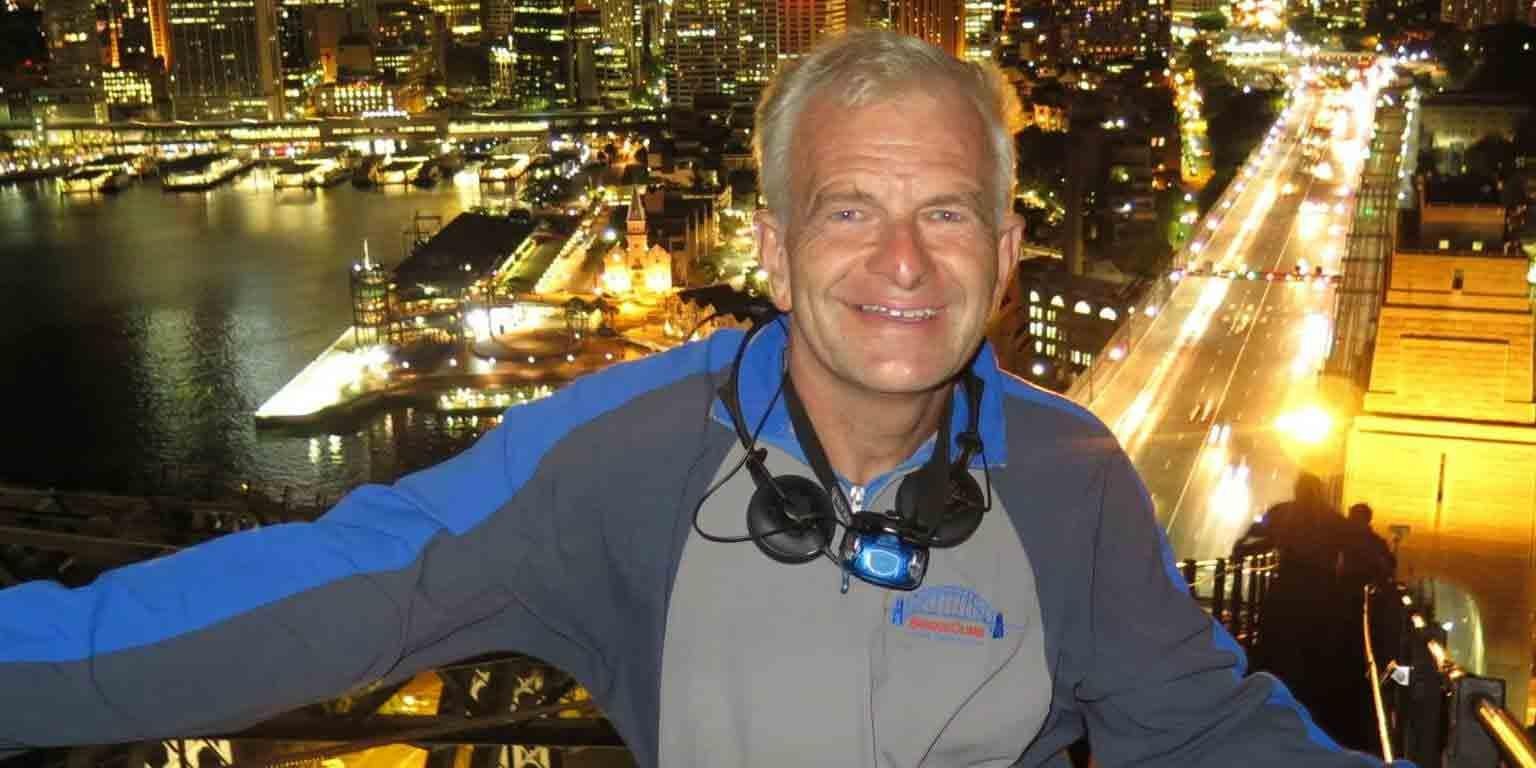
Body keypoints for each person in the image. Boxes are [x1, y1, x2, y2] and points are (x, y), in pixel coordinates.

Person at [0, 30, 1405, 768]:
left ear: (1007, 254)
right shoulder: (612, 461)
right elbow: (281, 607)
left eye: (950, 214)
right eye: (849, 211)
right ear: (776, 254)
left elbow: (1208, 734)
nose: (904, 261)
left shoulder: (1072, 471)